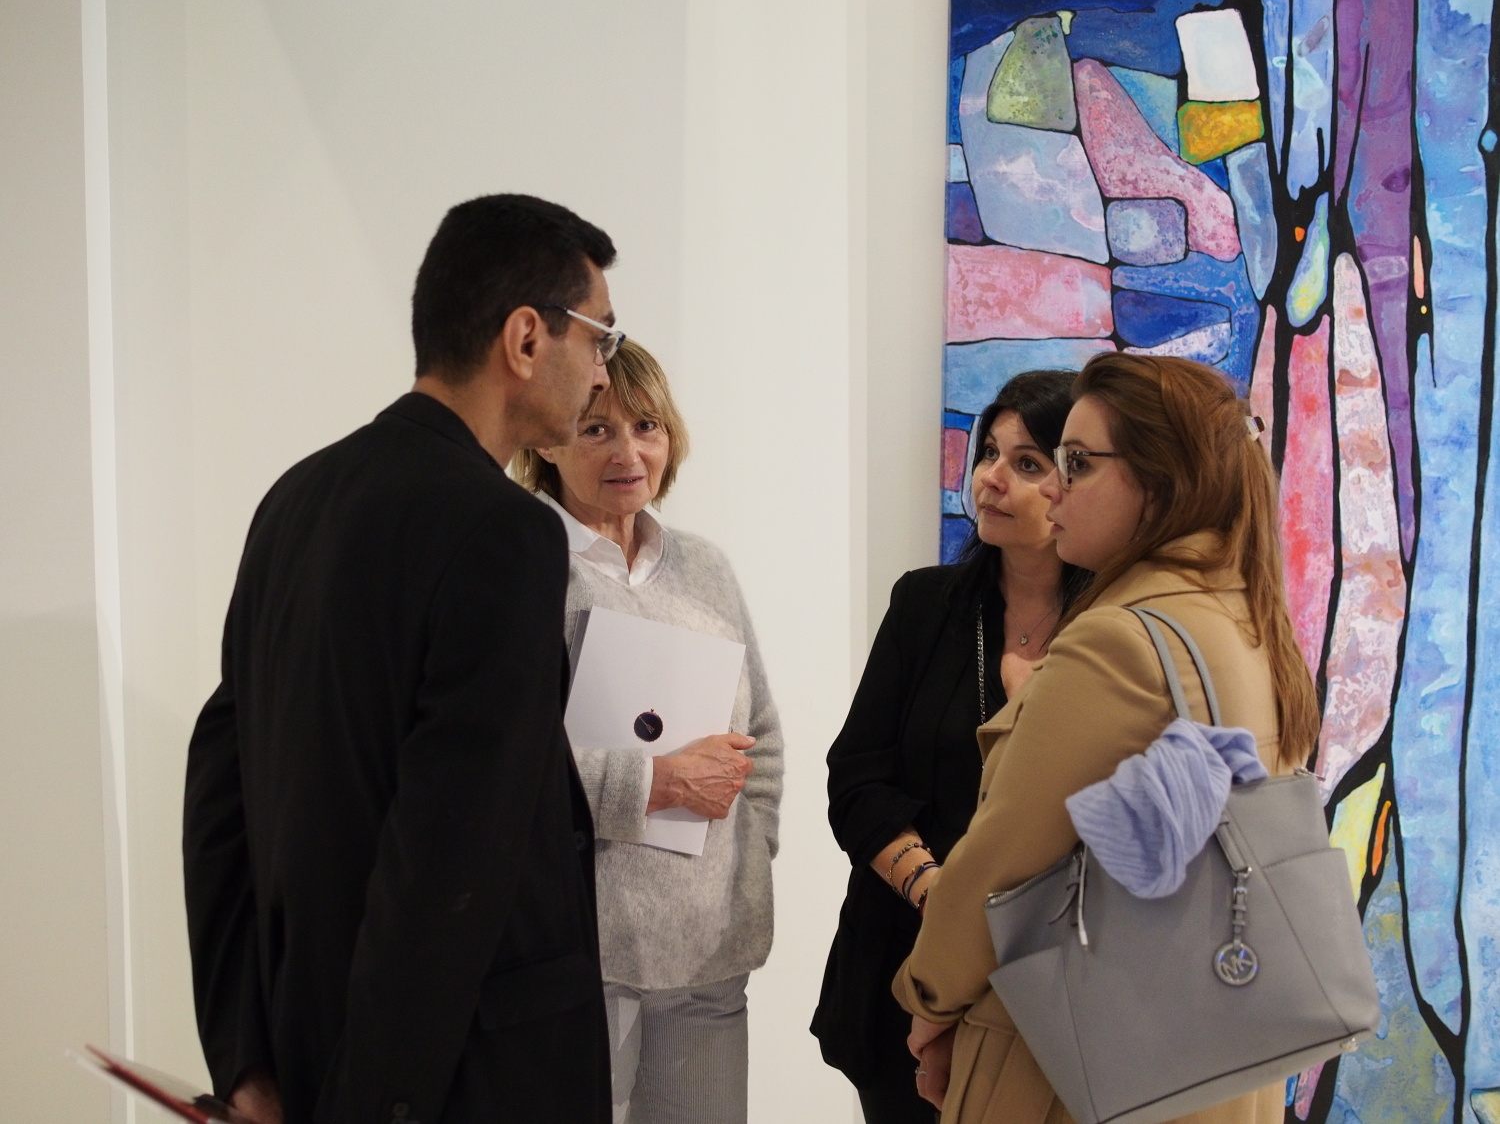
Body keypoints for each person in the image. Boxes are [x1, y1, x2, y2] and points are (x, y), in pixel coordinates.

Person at [182, 193, 622, 1124]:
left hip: (305, 1050)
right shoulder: (506, 533)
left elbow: (219, 796)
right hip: (452, 1084)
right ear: (526, 337)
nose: (601, 373)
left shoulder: (295, 500)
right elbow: (448, 863)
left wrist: (245, 1061)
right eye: (600, 338)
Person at [893, 353, 1319, 1123]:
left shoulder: (1121, 640)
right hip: (1218, 1058)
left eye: (1078, 463)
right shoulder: (1244, 624)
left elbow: (1000, 865)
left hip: (1074, 1064)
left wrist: (929, 1001)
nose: (1055, 488)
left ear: (1160, 481)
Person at [509, 338, 783, 1124]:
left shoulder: (704, 566)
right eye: (596, 428)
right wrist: (655, 783)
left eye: (646, 426)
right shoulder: (525, 566)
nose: (628, 452)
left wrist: (746, 864)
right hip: (578, 959)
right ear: (548, 441)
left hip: (708, 961)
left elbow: (761, 735)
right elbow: (511, 763)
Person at [811, 371, 1087, 1123]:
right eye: (989, 452)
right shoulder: (924, 604)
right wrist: (940, 896)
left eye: (1026, 463)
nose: (991, 477)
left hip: (1051, 979)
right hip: (904, 966)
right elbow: (856, 780)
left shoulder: (1111, 632)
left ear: (1077, 483)